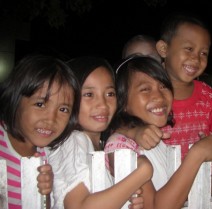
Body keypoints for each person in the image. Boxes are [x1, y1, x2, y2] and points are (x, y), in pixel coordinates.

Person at [104, 56, 212, 209]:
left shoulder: (156, 141)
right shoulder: (120, 146)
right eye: (145, 89)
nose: (159, 96)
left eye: (163, 86)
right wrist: (197, 155)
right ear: (123, 102)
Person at [48, 56, 153, 209]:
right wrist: (143, 172)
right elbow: (78, 206)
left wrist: (124, 198)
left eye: (110, 94)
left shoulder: (99, 145)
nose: (103, 104)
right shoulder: (74, 141)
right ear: (69, 98)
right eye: (89, 94)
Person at [0, 54, 81, 209]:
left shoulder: (46, 154)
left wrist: (45, 193)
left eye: (63, 109)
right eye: (40, 104)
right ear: (15, 98)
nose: (51, 120)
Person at [154, 12, 212, 160]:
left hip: (203, 181)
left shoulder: (208, 96)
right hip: (158, 181)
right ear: (164, 49)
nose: (196, 58)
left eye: (203, 53)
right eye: (189, 49)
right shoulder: (148, 94)